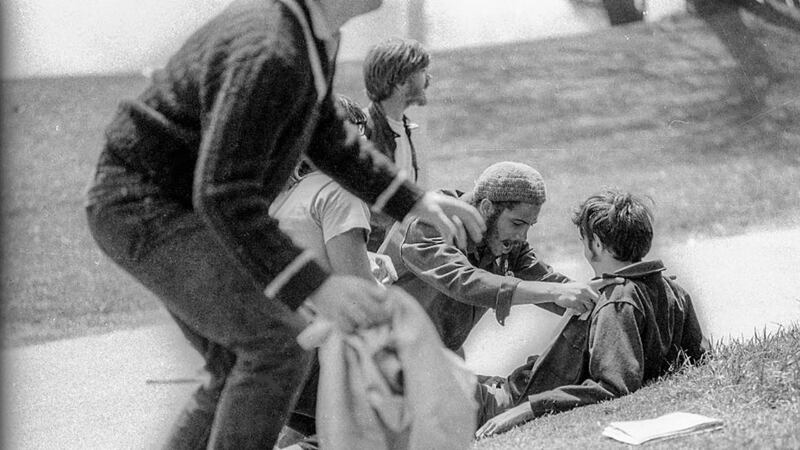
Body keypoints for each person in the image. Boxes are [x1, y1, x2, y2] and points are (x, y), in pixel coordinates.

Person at [83, 0, 485, 448]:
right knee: (276, 345)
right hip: (144, 204)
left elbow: (326, 137)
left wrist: (412, 201)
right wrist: (318, 286)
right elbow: (223, 193)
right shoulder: (273, 49)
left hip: (167, 202)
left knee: (236, 362)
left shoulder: (310, 35)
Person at [474, 188, 710, 439]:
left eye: (583, 239)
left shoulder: (616, 301)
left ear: (596, 243)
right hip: (516, 386)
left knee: (442, 385)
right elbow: (698, 355)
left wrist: (528, 409)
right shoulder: (672, 289)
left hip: (513, 399)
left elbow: (611, 386)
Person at [380, 161, 611, 355]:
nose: (522, 236)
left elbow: (548, 282)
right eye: (517, 223)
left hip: (434, 357)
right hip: (382, 361)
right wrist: (555, 292)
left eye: (529, 225)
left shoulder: (504, 239)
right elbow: (465, 282)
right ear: (487, 207)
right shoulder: (432, 222)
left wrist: (606, 304)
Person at [362, 37, 432, 250]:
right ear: (400, 82)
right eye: (422, 72)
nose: (428, 79)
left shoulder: (406, 128)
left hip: (386, 248)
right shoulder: (364, 129)